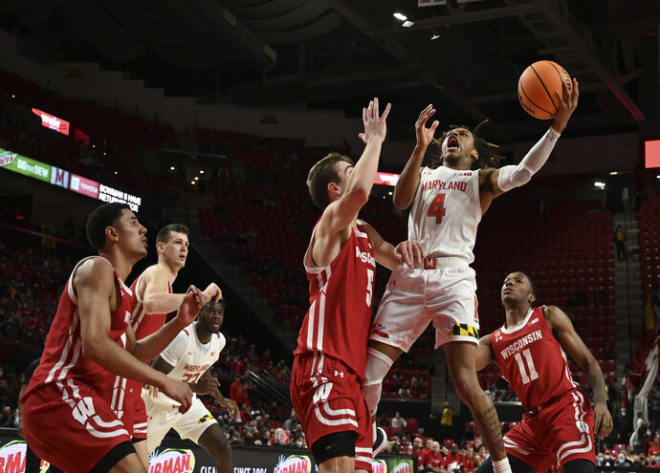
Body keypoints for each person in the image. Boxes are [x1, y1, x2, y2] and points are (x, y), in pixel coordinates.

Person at [363, 79, 580, 472]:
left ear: (474, 151)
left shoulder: (479, 180)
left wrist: (556, 128)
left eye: (460, 135)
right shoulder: (425, 174)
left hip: (454, 280)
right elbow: (399, 200)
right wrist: (418, 147)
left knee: (466, 382)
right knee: (368, 372)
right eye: (448, 135)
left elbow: (525, 172)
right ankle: (369, 438)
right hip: (411, 276)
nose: (452, 138)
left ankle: (501, 468)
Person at [290, 98, 423, 473]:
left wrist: (406, 247)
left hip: (353, 375)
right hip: (323, 364)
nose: (360, 172)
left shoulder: (363, 232)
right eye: (352, 169)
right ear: (335, 188)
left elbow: (393, 257)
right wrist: (375, 141)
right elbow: (361, 193)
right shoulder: (330, 226)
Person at [20, 203, 203, 473]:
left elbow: (135, 352)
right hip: (59, 394)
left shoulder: (124, 294)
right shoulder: (97, 268)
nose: (143, 229)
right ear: (112, 234)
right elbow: (95, 344)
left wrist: (179, 322)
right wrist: (164, 380)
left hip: (74, 402)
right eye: (133, 222)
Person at [474, 271, 613, 473]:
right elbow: (464, 362)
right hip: (533, 423)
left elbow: (589, 362)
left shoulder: (548, 315)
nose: (509, 283)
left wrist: (601, 402)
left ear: (531, 296)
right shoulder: (492, 342)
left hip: (565, 407)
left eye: (518, 280)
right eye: (505, 281)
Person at [124, 223, 222, 467]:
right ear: (160, 246)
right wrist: (200, 299)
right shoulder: (157, 272)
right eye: (177, 242)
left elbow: (144, 346)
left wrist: (160, 380)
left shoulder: (167, 286)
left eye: (187, 245)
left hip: (130, 378)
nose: (184, 249)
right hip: (118, 376)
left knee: (135, 465)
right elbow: (152, 304)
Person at [143, 299, 238, 472]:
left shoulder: (219, 341)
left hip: (187, 404)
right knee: (134, 463)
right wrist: (196, 388)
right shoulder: (181, 338)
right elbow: (152, 380)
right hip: (157, 405)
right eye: (211, 311)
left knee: (223, 447)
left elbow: (204, 364)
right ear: (200, 312)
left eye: (220, 313)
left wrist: (220, 398)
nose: (216, 316)